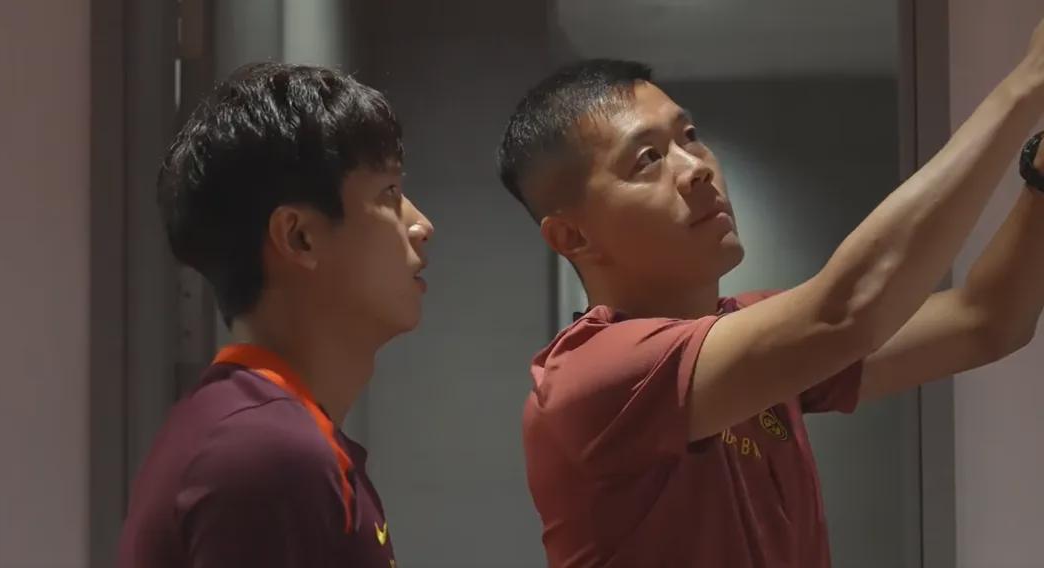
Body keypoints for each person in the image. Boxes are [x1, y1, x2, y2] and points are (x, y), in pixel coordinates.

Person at [496, 17, 1044, 568]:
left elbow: (987, 320)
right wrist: (1028, 83)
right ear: (572, 236)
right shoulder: (588, 375)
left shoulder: (744, 328)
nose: (695, 168)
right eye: (648, 159)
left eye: (689, 136)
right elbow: (848, 311)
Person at [117, 62, 432, 568]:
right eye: (389, 193)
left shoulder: (267, 431)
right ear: (298, 237)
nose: (421, 225)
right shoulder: (265, 452)